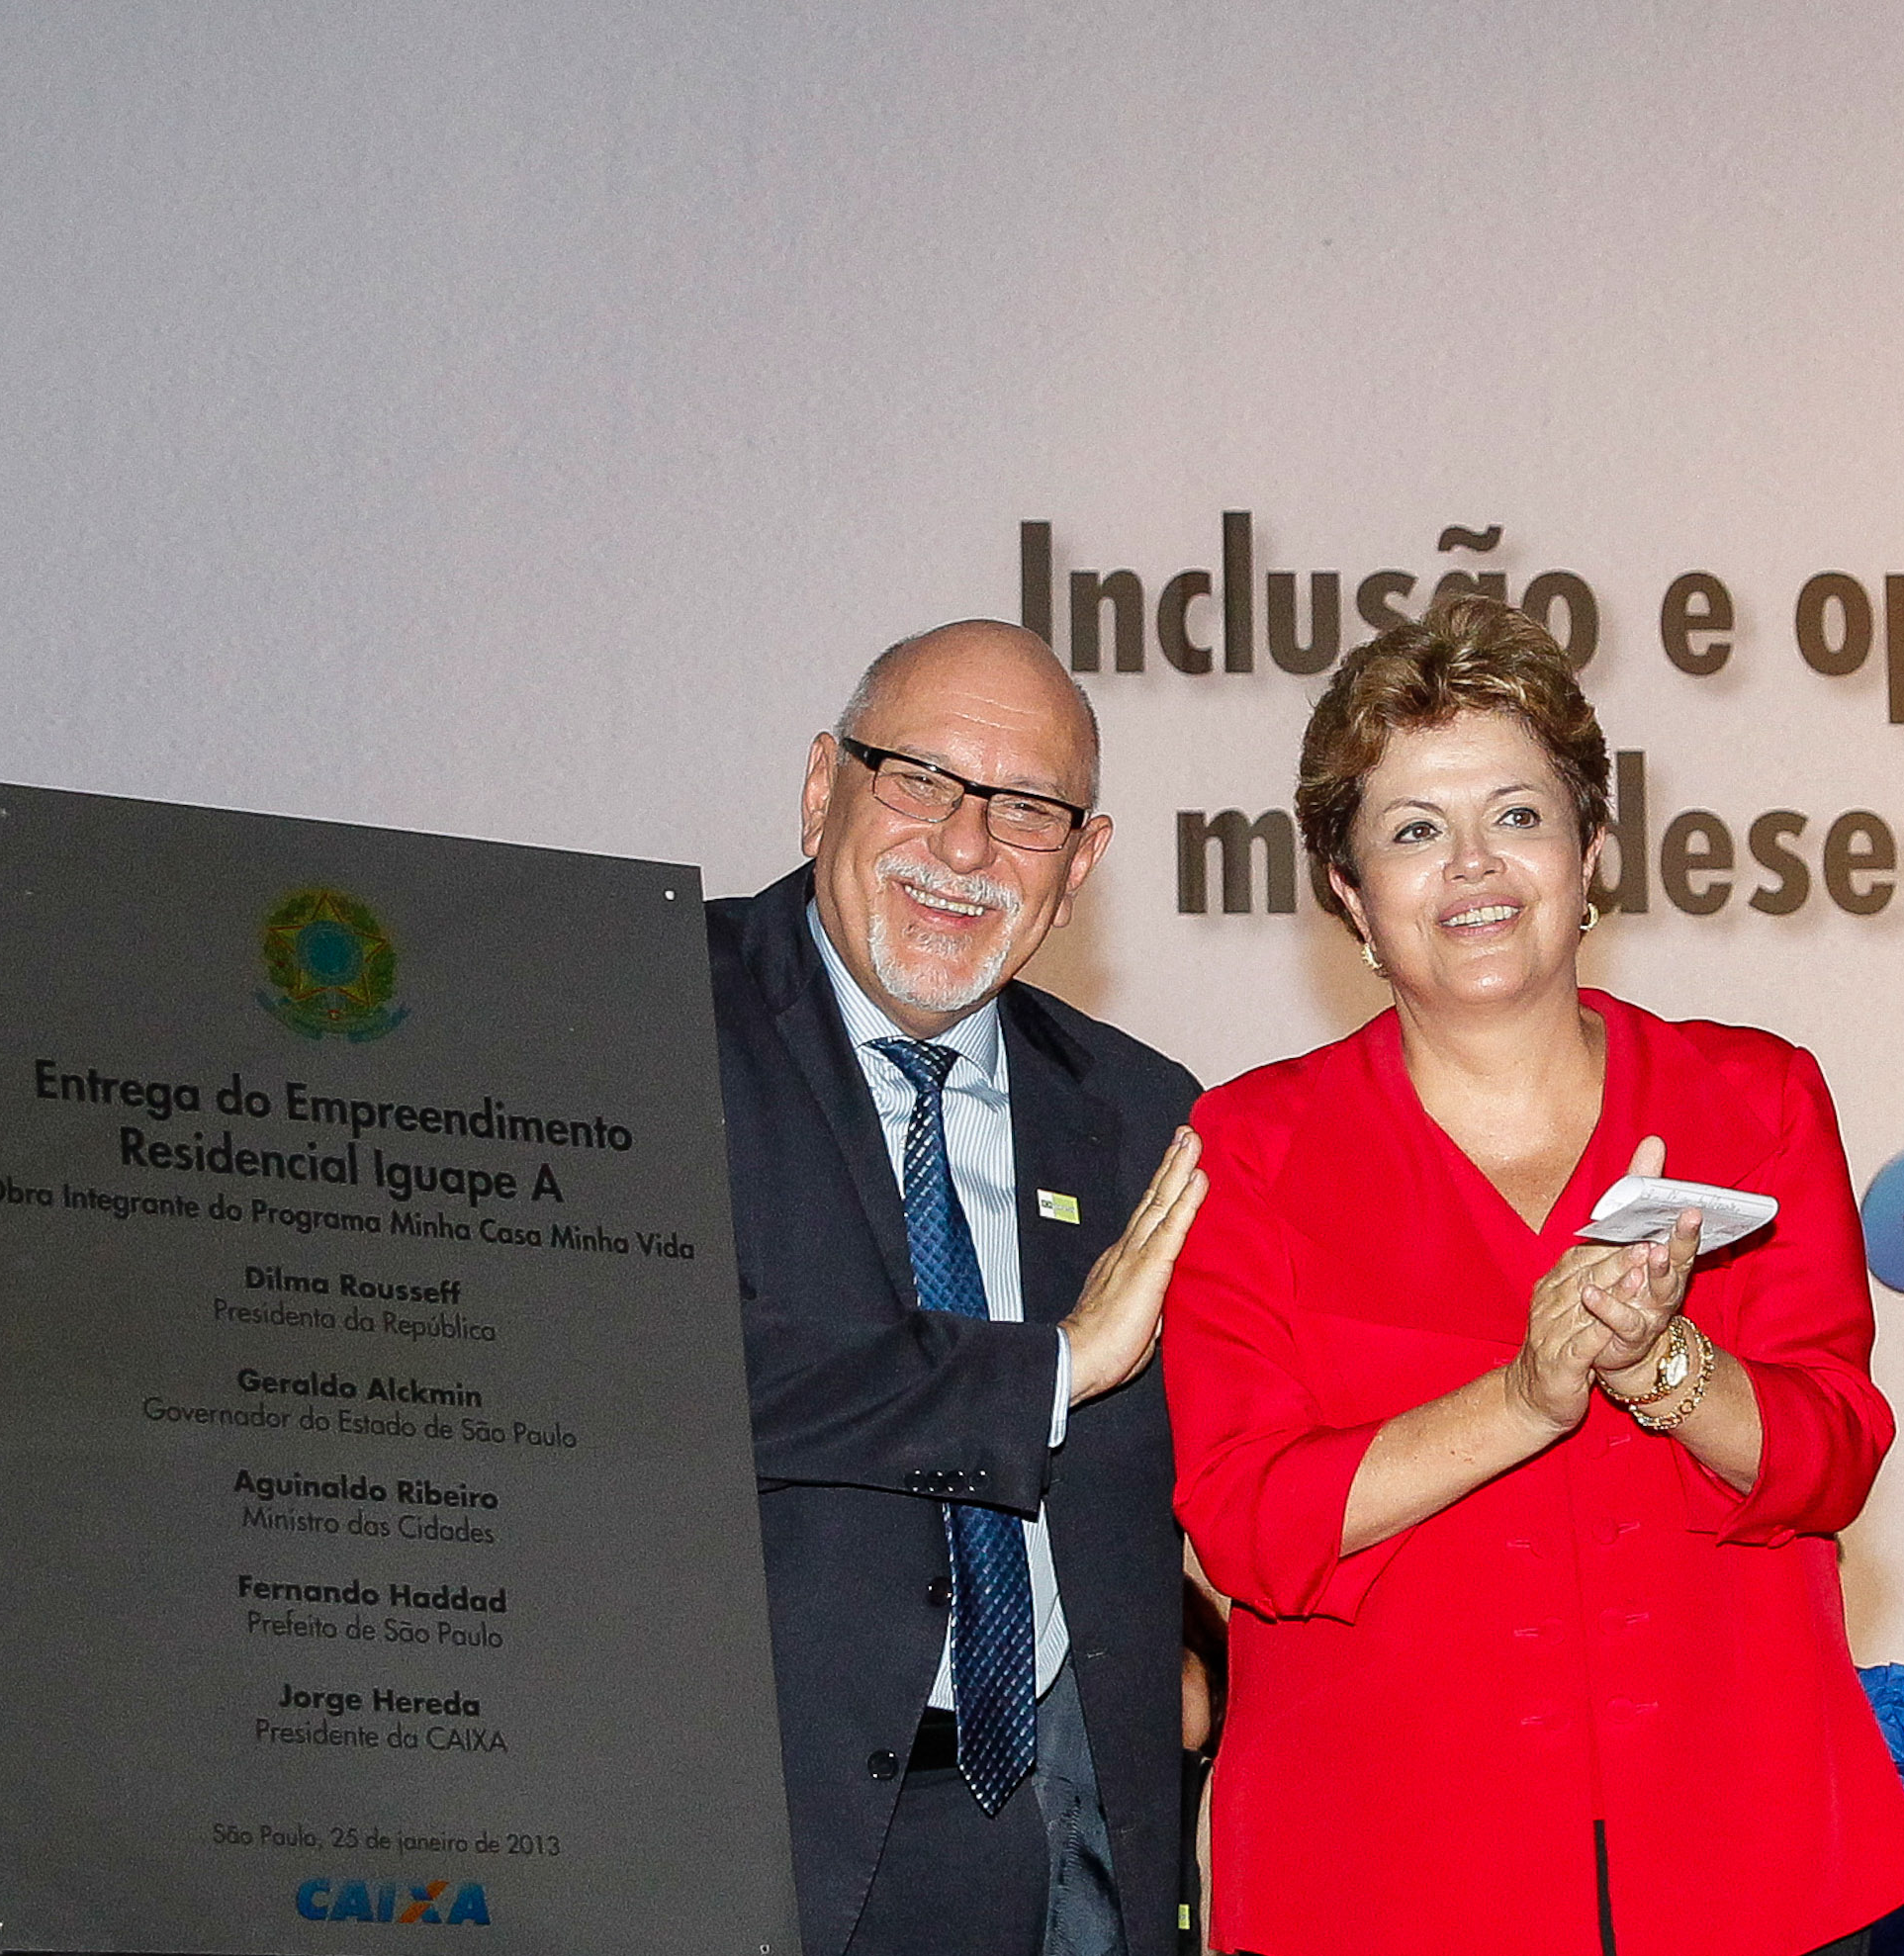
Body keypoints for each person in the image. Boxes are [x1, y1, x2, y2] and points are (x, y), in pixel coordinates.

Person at [1165, 592, 1904, 1955]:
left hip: (1754, 1874)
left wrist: (1662, 1366)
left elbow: (1830, 1450)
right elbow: (1244, 1521)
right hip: (1380, 1888)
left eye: (1515, 813)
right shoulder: (1247, 1146)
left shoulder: (1753, 1096)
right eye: (1409, 830)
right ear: (1345, 887)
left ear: (1591, 851)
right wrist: (1524, 1395)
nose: (1472, 867)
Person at [709, 620, 1208, 1956]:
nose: (966, 846)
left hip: (1059, 1858)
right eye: (916, 779)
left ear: (1082, 861)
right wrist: (1048, 1365)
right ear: (823, 785)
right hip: (746, 1847)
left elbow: (1209, 1448)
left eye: (1026, 808)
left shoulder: (1142, 1109)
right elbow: (662, 1377)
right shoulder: (649, 1016)